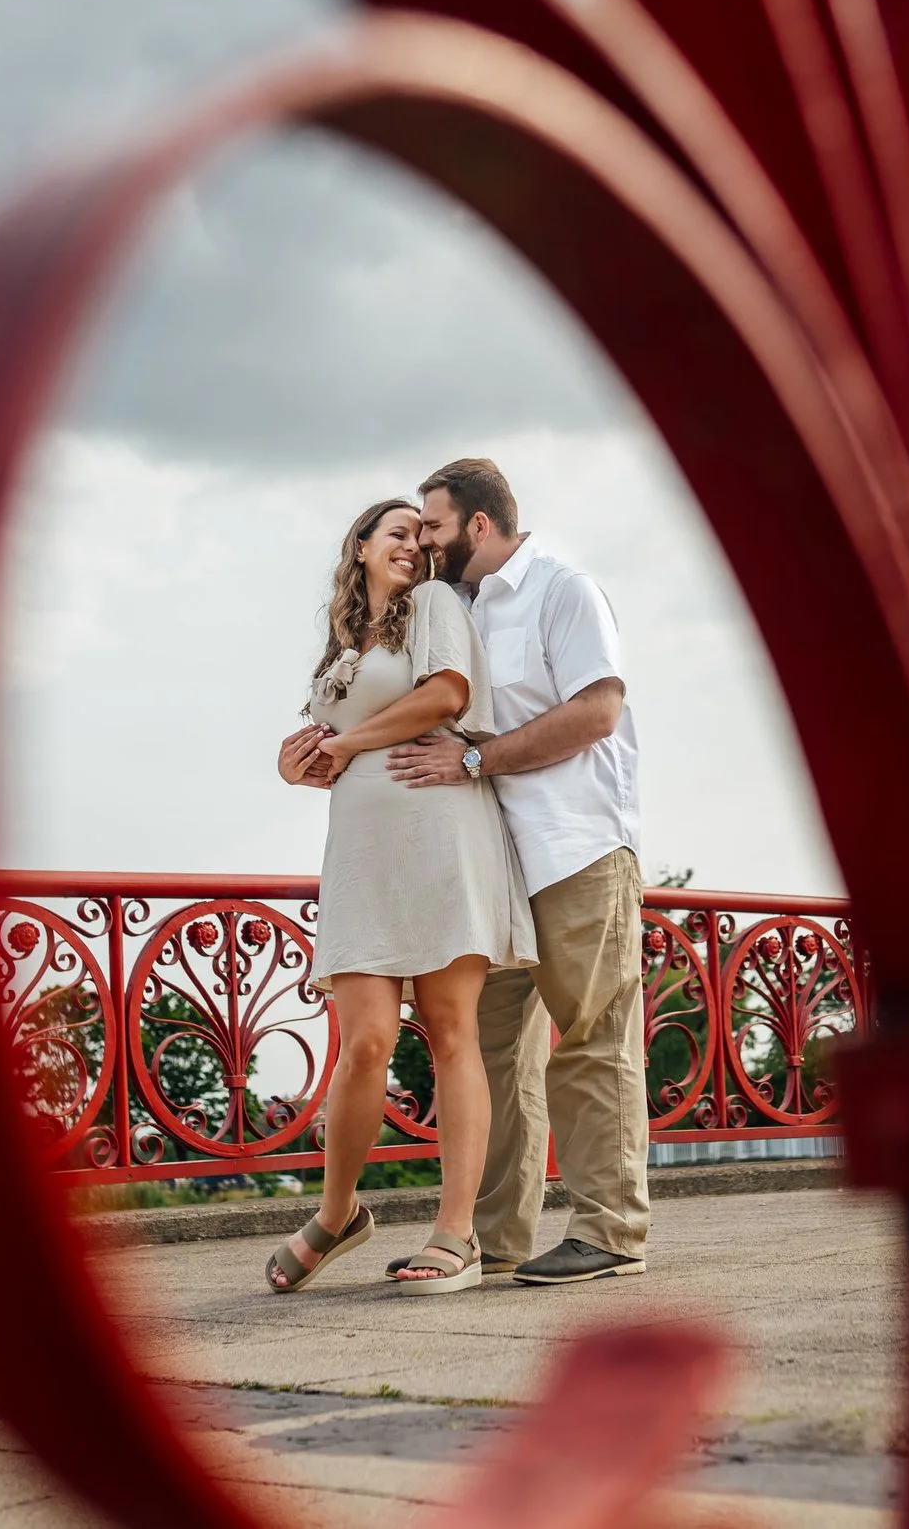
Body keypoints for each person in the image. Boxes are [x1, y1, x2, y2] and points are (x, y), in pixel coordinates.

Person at [389, 459, 648, 1285]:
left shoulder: (563, 589)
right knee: (492, 1052)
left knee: (595, 1039)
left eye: (432, 524)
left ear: (478, 525)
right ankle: (495, 1238)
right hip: (492, 864)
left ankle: (610, 1232)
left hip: (575, 849)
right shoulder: (450, 608)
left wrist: (476, 759)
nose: (423, 540)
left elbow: (597, 711)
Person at [268, 498, 535, 1296]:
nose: (416, 547)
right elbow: (317, 750)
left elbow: (447, 694)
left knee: (452, 1029)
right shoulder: (344, 643)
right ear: (359, 549)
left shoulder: (435, 604)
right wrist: (293, 764)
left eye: (425, 536)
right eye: (399, 534)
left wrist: (345, 744)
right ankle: (339, 1211)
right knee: (367, 1042)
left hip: (441, 836)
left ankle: (457, 1234)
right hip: (361, 854)